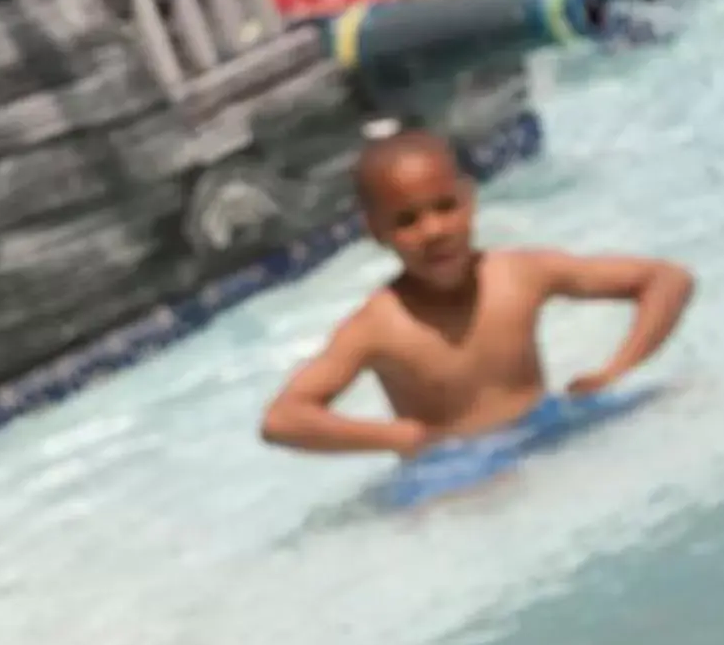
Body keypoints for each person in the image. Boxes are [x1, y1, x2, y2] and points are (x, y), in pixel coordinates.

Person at [262, 128, 694, 463]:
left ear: (469, 202)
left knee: (685, 403)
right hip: (455, 462)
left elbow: (667, 280)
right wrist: (397, 437)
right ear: (377, 233)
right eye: (407, 220)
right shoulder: (379, 325)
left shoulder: (521, 273)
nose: (433, 231)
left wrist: (616, 370)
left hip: (546, 425)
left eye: (445, 207)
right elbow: (283, 418)